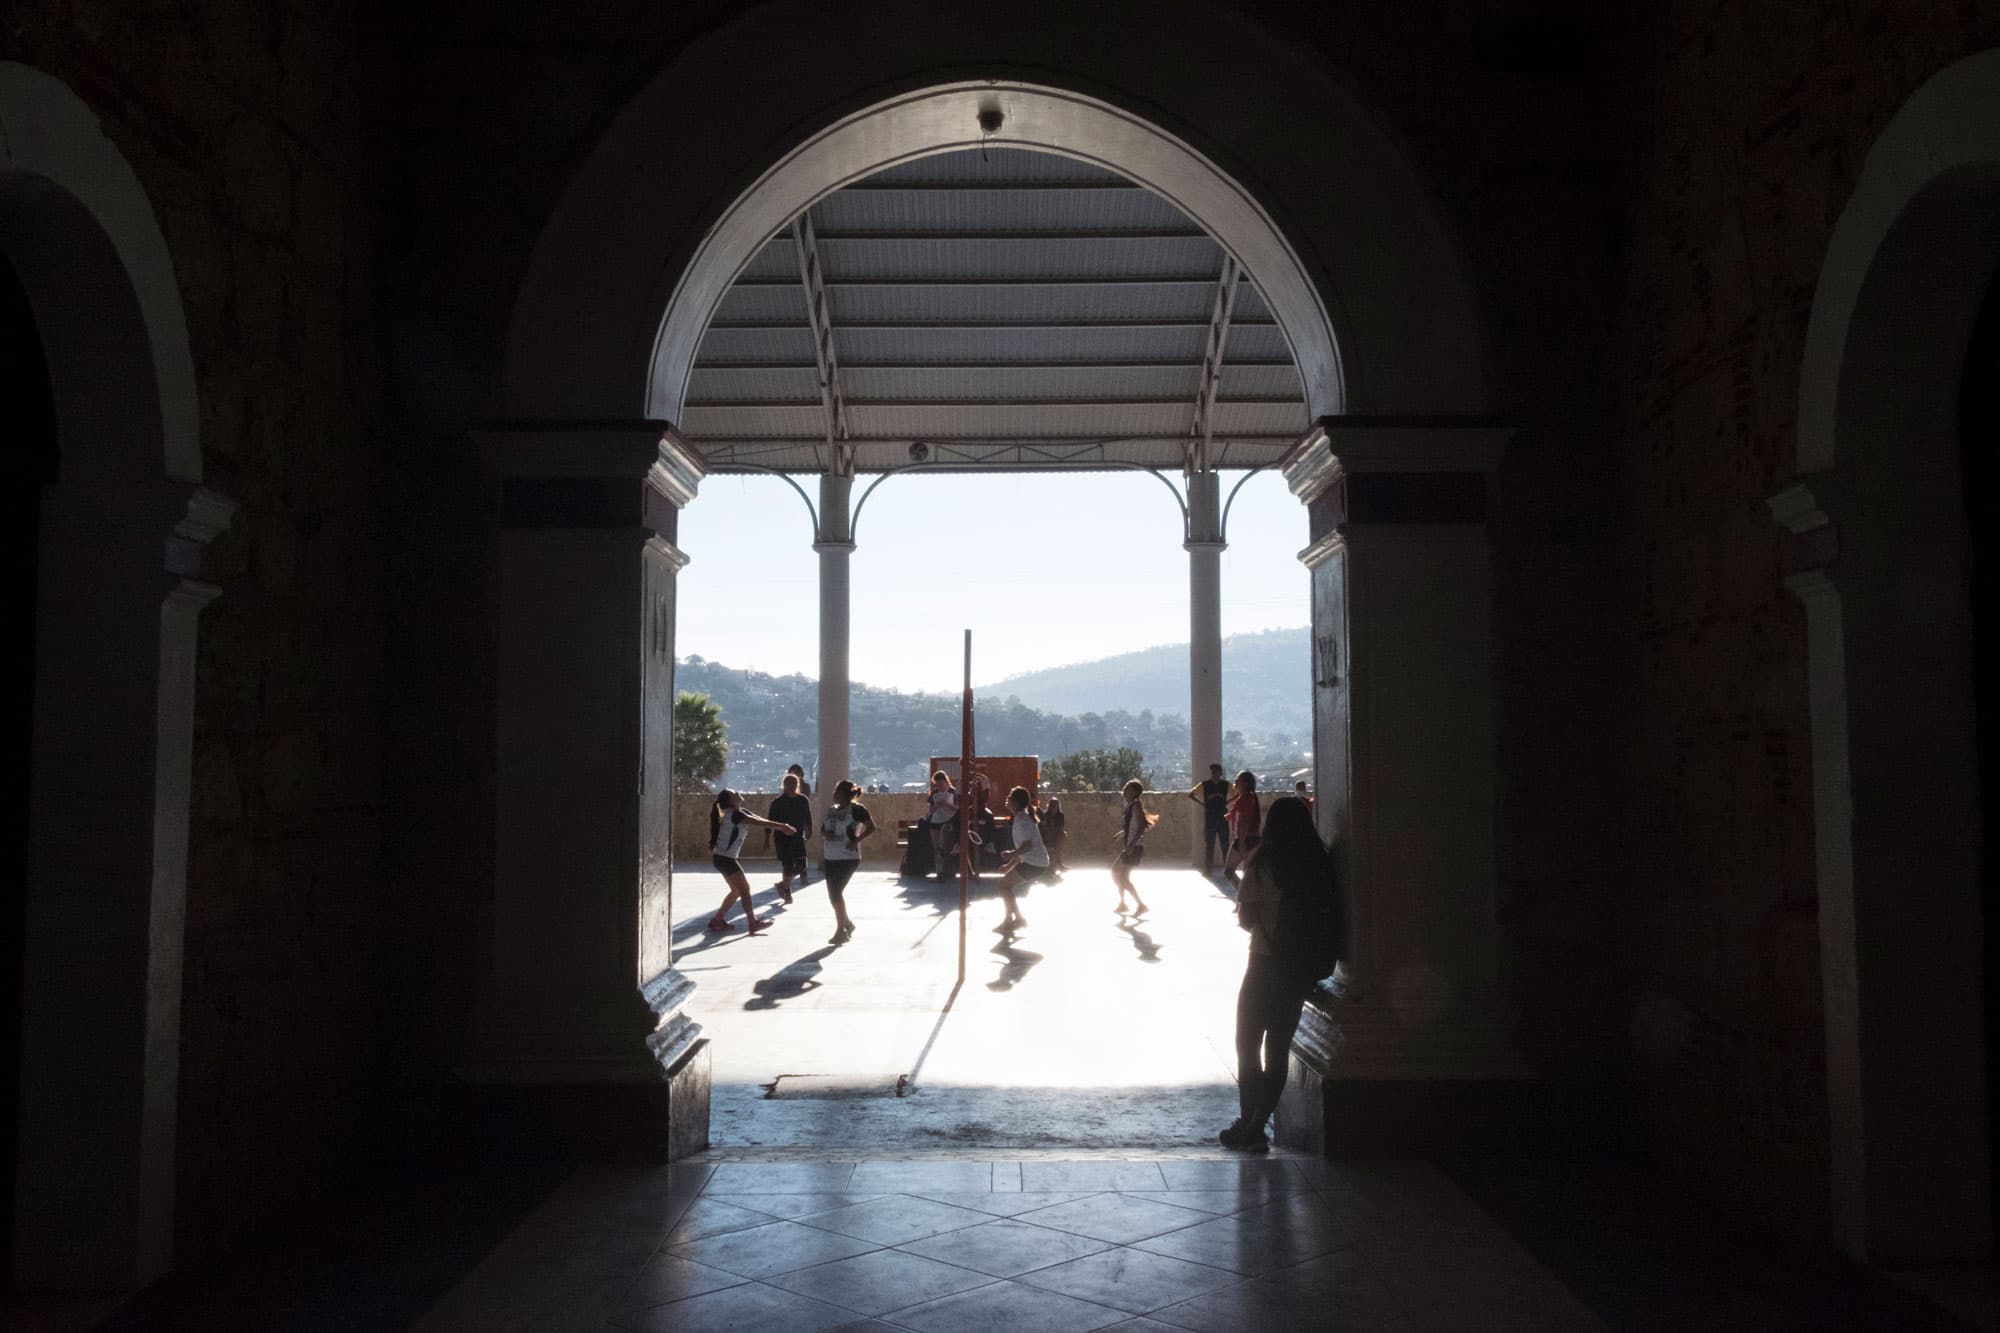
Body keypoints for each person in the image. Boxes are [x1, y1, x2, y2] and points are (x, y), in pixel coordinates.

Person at [1222, 795, 1335, 1153]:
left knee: (1247, 1044)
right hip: (1297, 969)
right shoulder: (1320, 864)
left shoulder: (1261, 864)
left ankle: (1247, 1121)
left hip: (1262, 964)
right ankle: (1258, 1124)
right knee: (1277, 1049)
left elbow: (1245, 920)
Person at [707, 789, 800, 934]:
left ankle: (717, 920)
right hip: (724, 859)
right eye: (734, 793)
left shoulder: (741, 812)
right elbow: (757, 822)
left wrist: (781, 826)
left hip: (722, 858)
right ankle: (753, 923)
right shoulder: (734, 814)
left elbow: (761, 820)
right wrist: (783, 826)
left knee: (737, 890)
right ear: (731, 801)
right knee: (745, 889)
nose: (738, 793)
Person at [818, 779, 873, 944]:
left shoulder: (857, 810)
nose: (834, 795)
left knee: (836, 893)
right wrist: (825, 834)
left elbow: (871, 827)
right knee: (833, 894)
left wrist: (856, 840)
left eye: (838, 792)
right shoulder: (831, 810)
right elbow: (823, 829)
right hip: (830, 856)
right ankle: (847, 923)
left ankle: (840, 930)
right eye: (834, 792)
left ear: (846, 794)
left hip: (848, 857)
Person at [994, 786, 1050, 931]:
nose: (1007, 798)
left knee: (1004, 886)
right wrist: (1009, 866)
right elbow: (1023, 852)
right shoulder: (1021, 818)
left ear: (1017, 802)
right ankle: (1015, 919)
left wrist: (1011, 854)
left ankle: (1013, 919)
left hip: (1035, 864)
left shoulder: (1023, 820)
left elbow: (1027, 846)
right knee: (1005, 886)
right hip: (1034, 863)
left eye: (1010, 797)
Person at [1109, 778, 1154, 916]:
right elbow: (1133, 826)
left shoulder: (1135, 805)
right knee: (1118, 873)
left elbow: (1141, 826)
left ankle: (1140, 905)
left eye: (1128, 787)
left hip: (1134, 847)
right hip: (1131, 845)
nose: (1124, 788)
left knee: (1119, 875)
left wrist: (1132, 844)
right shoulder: (1131, 806)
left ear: (1134, 792)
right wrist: (1121, 834)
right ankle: (1123, 903)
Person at [766, 772, 812, 902]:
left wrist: (810, 830)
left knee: (801, 865)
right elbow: (769, 822)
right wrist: (766, 839)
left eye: (794, 783)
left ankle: (782, 885)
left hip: (798, 838)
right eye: (789, 784)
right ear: (784, 785)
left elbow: (808, 818)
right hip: (782, 839)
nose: (792, 786)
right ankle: (787, 891)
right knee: (788, 865)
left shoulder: (803, 800)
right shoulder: (777, 802)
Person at [1187, 762, 1230, 875]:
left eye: (1216, 771)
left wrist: (1228, 802)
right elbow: (1191, 794)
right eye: (1213, 772)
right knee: (1210, 845)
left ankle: (1227, 870)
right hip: (1212, 817)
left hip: (1221, 817)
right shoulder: (1205, 784)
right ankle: (1208, 870)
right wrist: (1202, 803)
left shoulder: (1225, 784)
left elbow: (1238, 794)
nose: (1214, 773)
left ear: (1220, 773)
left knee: (1224, 845)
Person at [1224, 770, 1261, 886]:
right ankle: (1244, 898)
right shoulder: (1249, 798)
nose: (1235, 781)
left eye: (1238, 779)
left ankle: (1242, 895)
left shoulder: (1244, 799)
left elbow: (1243, 822)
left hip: (1244, 840)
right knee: (1248, 874)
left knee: (1229, 871)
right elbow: (1242, 817)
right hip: (1252, 840)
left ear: (1245, 783)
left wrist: (1241, 845)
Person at [927, 770, 959, 879]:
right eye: (937, 784)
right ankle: (939, 871)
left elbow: (957, 807)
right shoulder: (934, 793)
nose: (940, 787)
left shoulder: (953, 792)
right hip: (936, 819)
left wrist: (947, 804)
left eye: (942, 784)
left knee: (944, 844)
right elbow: (930, 809)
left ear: (946, 782)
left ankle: (947, 869)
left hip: (949, 818)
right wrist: (936, 806)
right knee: (936, 847)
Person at [1042, 794, 1068, 874]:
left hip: (1056, 835)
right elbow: (1043, 828)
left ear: (1058, 807)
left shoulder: (1060, 816)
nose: (1053, 808)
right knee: (1049, 834)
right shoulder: (1045, 815)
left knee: (1062, 836)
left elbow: (1060, 828)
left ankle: (1058, 862)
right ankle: (1052, 864)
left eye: (1055, 806)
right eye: (1052, 806)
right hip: (1047, 835)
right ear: (1049, 806)